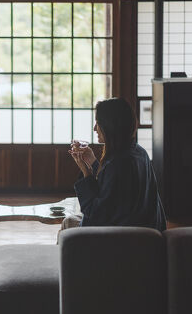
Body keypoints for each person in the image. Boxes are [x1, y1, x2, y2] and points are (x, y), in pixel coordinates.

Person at [62, 97, 166, 232]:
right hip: (145, 229)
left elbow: (94, 213)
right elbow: (112, 188)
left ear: (110, 126)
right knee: (70, 221)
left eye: (98, 123)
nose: (95, 128)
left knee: (68, 223)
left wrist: (86, 171)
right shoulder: (138, 152)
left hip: (120, 236)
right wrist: (92, 161)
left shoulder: (118, 164)